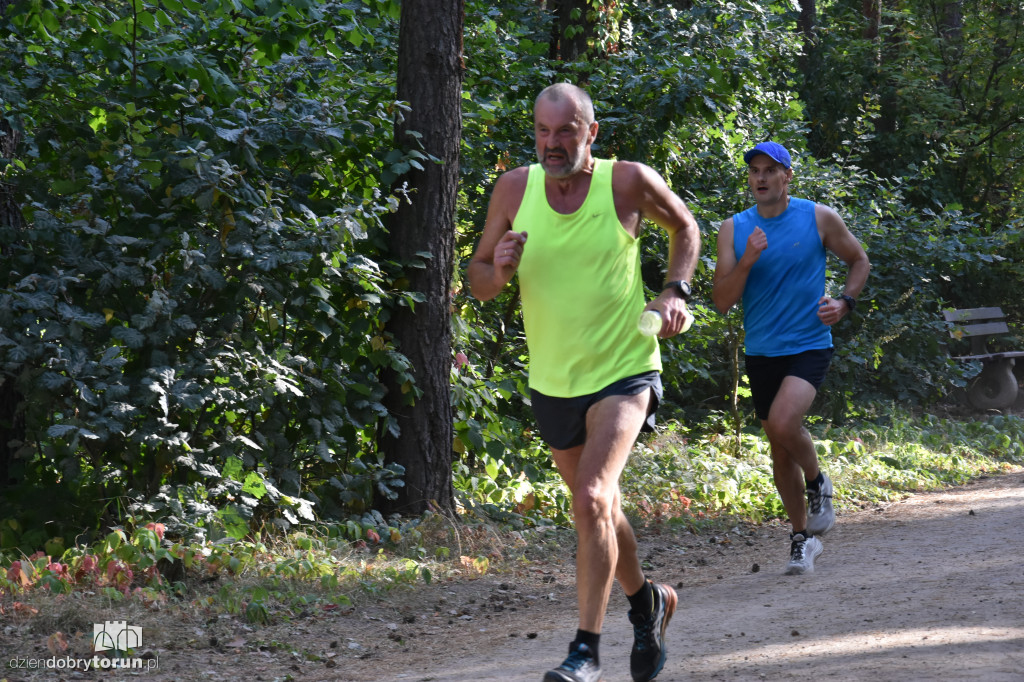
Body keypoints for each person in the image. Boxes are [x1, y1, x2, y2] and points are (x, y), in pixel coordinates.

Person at [467, 83, 701, 682]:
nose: (552, 143)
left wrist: (675, 289)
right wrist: (497, 268)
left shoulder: (624, 182)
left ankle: (585, 653)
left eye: (566, 131)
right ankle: (648, 602)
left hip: (624, 367)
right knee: (600, 508)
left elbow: (685, 228)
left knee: (592, 496)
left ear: (590, 132)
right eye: (543, 132)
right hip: (552, 381)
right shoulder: (514, 190)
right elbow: (477, 283)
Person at [711, 141, 870, 575]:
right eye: (754, 171)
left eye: (769, 170)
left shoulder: (817, 217)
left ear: (787, 176)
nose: (760, 178)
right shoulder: (734, 229)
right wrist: (747, 260)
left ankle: (820, 484)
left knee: (784, 423)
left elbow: (859, 260)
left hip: (809, 344)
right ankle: (802, 540)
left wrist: (844, 303)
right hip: (763, 351)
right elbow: (722, 300)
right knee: (780, 452)